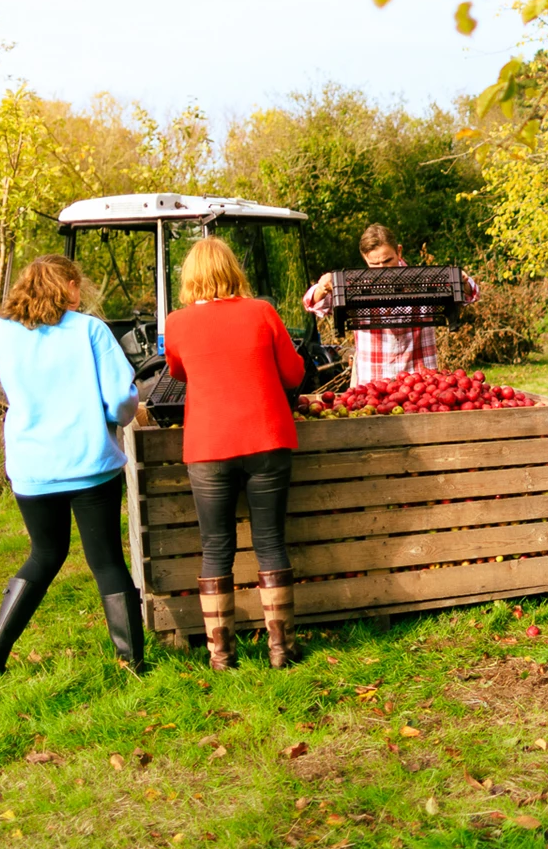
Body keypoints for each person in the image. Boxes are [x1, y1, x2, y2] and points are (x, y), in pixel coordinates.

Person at [0, 255, 142, 677]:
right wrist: (115, 417)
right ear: (68, 286)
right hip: (89, 462)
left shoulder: (3, 333)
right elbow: (122, 398)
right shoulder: (90, 330)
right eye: (77, 285)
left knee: (45, 553)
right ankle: (130, 662)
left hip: (33, 466)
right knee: (106, 560)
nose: (80, 292)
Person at [166, 238, 306, 670]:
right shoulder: (262, 311)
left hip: (208, 445)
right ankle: (280, 648)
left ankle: (221, 654)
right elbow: (294, 373)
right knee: (269, 542)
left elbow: (176, 371)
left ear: (190, 278)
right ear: (233, 271)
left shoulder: (177, 323)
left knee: (215, 546)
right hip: (266, 436)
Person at [302, 223, 479, 385]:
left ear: (399, 252)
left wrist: (462, 282)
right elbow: (311, 303)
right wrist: (322, 288)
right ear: (365, 258)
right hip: (373, 383)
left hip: (420, 383)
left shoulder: (426, 281)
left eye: (387, 261)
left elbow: (470, 294)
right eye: (374, 263)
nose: (382, 269)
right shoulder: (353, 286)